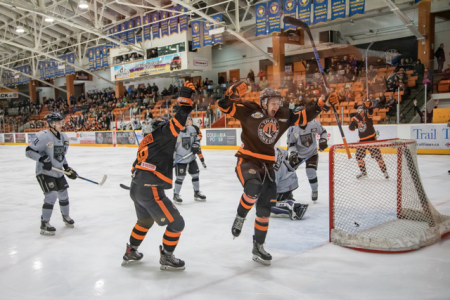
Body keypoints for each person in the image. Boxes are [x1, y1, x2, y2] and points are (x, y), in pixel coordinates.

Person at [217, 82, 337, 265]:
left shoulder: (284, 115)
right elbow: (223, 106)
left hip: (268, 165)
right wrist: (230, 95)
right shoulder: (249, 110)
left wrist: (321, 103)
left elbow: (304, 115)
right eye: (273, 102)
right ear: (264, 103)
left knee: (264, 209)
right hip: (248, 160)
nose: (277, 106)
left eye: (278, 102)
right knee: (253, 188)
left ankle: (258, 246)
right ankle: (241, 216)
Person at [121, 81, 196, 270]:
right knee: (177, 223)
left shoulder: (145, 142)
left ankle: (131, 251)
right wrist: (185, 99)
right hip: (150, 189)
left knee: (144, 221)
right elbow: (177, 122)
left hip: (137, 187)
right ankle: (167, 257)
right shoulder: (160, 134)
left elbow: (134, 167)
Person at [25, 112, 77, 236]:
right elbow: (29, 151)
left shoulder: (64, 137)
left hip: (58, 172)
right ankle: (44, 223)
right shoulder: (43, 136)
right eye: (59, 123)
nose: (62, 125)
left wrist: (67, 167)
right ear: (51, 124)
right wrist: (42, 159)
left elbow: (61, 156)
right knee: (51, 195)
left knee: (64, 194)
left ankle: (66, 216)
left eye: (62, 122)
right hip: (45, 172)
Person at [287, 114, 328, 202]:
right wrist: (293, 153)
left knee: (311, 171)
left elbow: (323, 132)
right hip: (298, 154)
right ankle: (287, 192)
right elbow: (291, 143)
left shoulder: (314, 123)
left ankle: (314, 190)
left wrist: (323, 140)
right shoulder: (292, 128)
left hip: (311, 153)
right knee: (288, 171)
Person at [349, 102, 389, 179]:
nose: (361, 112)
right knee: (358, 156)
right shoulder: (357, 119)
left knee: (378, 157)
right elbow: (351, 128)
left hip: (371, 139)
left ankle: (385, 172)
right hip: (362, 140)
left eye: (362, 110)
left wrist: (369, 107)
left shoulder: (367, 116)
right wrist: (354, 120)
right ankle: (363, 172)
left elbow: (370, 111)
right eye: (359, 110)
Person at [173, 116, 206, 204]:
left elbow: (197, 139)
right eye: (187, 119)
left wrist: (196, 144)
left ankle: (196, 193)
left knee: (195, 174)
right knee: (180, 177)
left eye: (190, 119)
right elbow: (172, 147)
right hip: (180, 158)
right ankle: (176, 194)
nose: (189, 121)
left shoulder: (192, 129)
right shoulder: (175, 132)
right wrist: (172, 159)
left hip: (191, 157)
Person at [270, 148, 309, 220]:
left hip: (283, 185)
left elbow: (272, 186)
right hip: (290, 178)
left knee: (261, 206)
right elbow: (285, 153)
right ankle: (286, 197)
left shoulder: (270, 166)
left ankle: (290, 206)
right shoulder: (273, 149)